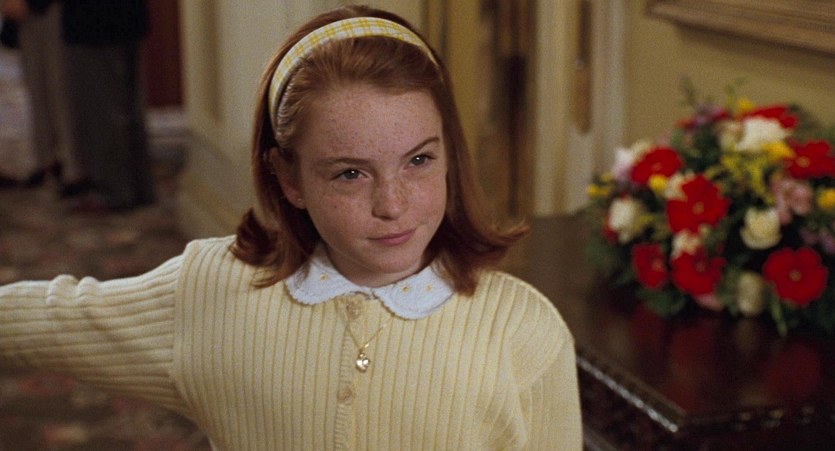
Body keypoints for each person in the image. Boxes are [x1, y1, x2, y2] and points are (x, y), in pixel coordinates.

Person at [0, 5, 582, 450]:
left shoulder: (523, 332)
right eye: (350, 173)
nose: (393, 204)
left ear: (449, 154)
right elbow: (54, 320)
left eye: (419, 160)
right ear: (289, 179)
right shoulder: (212, 293)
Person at [61, 0, 155, 211]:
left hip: (93, 21)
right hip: (126, 15)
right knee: (129, 106)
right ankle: (139, 187)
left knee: (101, 112)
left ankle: (113, 191)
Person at [0, 0, 89, 194]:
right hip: (26, 15)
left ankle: (72, 166)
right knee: (36, 87)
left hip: (53, 8)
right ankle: (45, 159)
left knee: (59, 89)